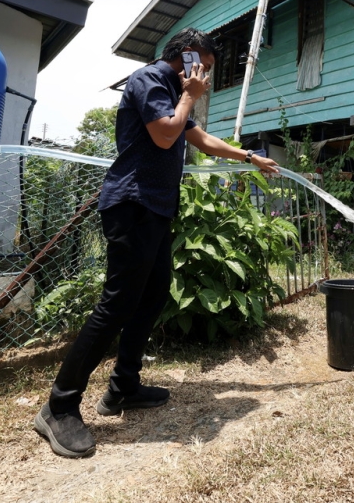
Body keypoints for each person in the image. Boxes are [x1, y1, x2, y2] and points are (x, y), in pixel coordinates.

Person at [34, 28, 279, 458]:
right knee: (118, 303)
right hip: (132, 203)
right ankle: (60, 405)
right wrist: (191, 95)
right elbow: (166, 134)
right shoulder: (148, 80)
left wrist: (249, 157)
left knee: (151, 297)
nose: (204, 77)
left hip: (157, 209)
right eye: (203, 65)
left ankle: (123, 387)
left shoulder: (174, 89)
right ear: (187, 56)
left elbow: (197, 139)